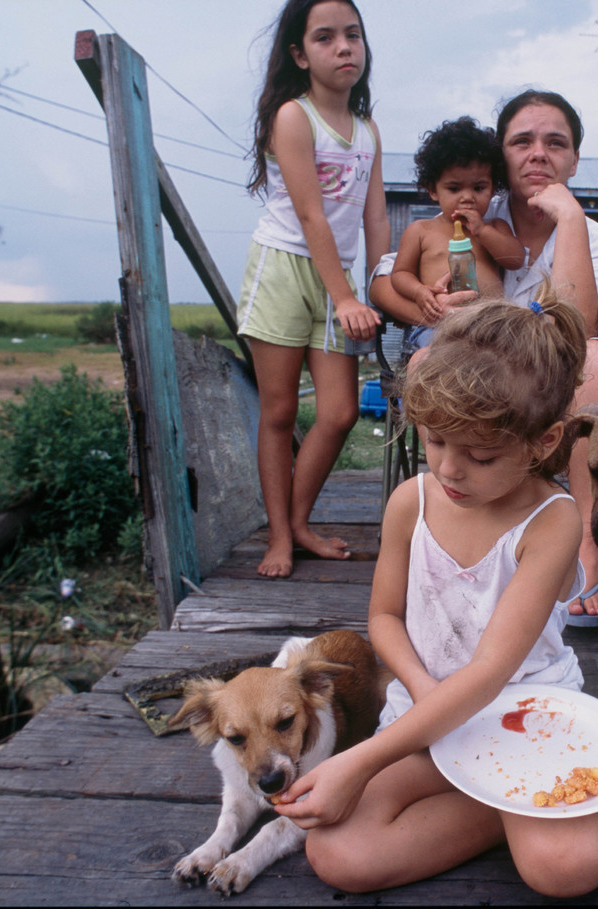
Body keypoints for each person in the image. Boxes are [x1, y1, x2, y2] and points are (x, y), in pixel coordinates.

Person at [271, 293, 598, 897]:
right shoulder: (410, 502)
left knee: (557, 869)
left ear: (542, 444)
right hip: (427, 713)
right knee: (338, 853)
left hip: (526, 721)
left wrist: (358, 760)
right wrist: (422, 692)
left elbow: (492, 672)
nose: (449, 470)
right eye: (436, 442)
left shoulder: (552, 522)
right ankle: (515, 816)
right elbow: (385, 616)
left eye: (481, 455)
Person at [370, 89, 598, 624]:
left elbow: (583, 328)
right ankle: (451, 525)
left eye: (555, 142)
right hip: (478, 388)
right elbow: (383, 280)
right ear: (500, 157)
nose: (538, 154)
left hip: (551, 393)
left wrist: (570, 221)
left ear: (574, 159)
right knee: (423, 365)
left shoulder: (593, 236)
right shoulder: (472, 204)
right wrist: (428, 304)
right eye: (522, 141)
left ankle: (582, 542)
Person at [237, 0, 387, 578]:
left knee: (341, 412)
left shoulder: (369, 129)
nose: (344, 47)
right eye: (325, 38)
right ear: (301, 55)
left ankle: (300, 521)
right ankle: (280, 536)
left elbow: (375, 221)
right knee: (277, 412)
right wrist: (344, 297)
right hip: (283, 268)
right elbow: (310, 216)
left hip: (340, 279)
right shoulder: (293, 117)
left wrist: (374, 286)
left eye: (353, 35)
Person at [390, 117, 525, 350]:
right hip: (438, 327)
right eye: (454, 189)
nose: (467, 197)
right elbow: (400, 273)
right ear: (433, 190)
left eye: (479, 188)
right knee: (437, 357)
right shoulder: (421, 230)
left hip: (490, 324)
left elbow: (515, 260)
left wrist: (482, 231)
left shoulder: (495, 227)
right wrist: (419, 291)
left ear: (493, 188)